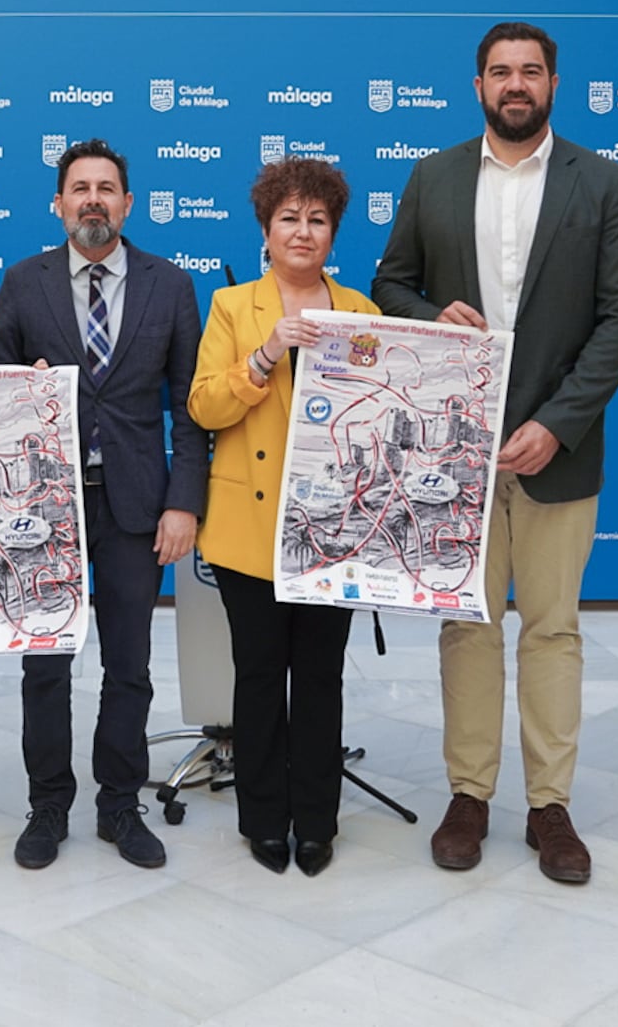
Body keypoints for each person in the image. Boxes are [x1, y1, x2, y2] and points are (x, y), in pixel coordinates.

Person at [372, 21, 618, 883]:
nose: (516, 84)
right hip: (454, 454)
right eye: (501, 72)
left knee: (554, 629)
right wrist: (429, 316)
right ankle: (470, 794)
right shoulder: (434, 176)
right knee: (468, 627)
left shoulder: (606, 184)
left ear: (554, 84)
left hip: (560, 451)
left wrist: (558, 423)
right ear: (478, 86)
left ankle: (549, 806)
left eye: (531, 71)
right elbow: (389, 283)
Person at [0, 138, 206, 871]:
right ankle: (48, 805)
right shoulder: (25, 282)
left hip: (137, 505)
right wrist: (24, 388)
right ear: (58, 204)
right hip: (47, 508)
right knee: (45, 667)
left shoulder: (171, 286)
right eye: (79, 188)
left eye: (106, 188)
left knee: (129, 665)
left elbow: (191, 408)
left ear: (127, 204)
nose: (93, 200)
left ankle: (119, 804)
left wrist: (184, 502)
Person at [189, 158, 376, 878]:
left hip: (333, 535)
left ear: (334, 233)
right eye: (289, 218)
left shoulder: (361, 312)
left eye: (317, 219)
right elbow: (205, 406)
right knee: (260, 676)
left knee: (322, 677)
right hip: (250, 530)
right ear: (265, 231)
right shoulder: (232, 306)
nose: (303, 231)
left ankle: (318, 821)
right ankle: (264, 818)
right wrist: (264, 356)